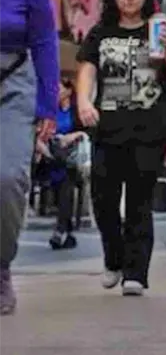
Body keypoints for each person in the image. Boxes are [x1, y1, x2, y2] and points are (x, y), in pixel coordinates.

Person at [76, 0, 166, 296]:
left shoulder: (159, 29)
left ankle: (136, 273)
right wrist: (84, 100)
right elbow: (86, 68)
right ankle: (114, 258)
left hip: (149, 127)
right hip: (108, 126)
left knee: (140, 201)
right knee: (103, 199)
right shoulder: (101, 32)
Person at [0, 0, 59, 315]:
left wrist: (48, 105)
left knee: (7, 179)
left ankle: (1, 267)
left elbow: (44, 40)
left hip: (13, 82)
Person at [49, 79, 85, 249]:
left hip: (72, 159)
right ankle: (68, 233)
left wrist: (71, 136)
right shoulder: (52, 111)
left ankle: (60, 230)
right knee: (61, 192)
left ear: (69, 91)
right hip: (52, 156)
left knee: (66, 185)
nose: (57, 92)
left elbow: (87, 130)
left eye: (60, 88)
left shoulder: (76, 111)